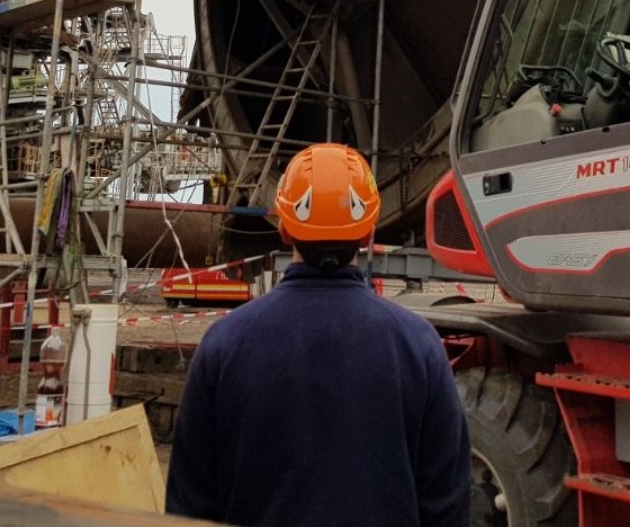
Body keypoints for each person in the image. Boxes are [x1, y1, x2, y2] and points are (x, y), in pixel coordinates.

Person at [165, 143, 470, 527]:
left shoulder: (224, 345)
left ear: (284, 229)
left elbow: (189, 506)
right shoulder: (419, 345)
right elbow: (447, 506)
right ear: (368, 232)